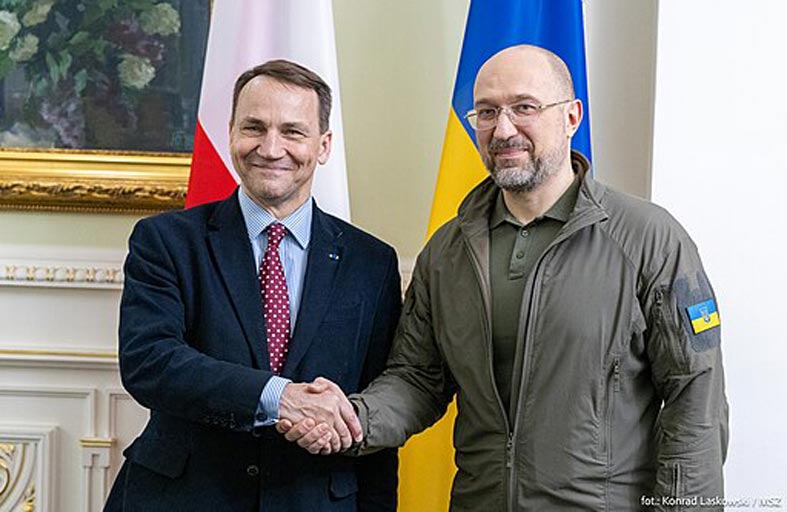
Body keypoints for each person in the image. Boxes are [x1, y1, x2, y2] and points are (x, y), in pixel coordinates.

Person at [279, 45, 729, 511]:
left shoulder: (650, 240)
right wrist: (353, 418)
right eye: (487, 112)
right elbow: (417, 380)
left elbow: (695, 397)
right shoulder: (447, 251)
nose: (504, 129)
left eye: (525, 107)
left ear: (571, 117)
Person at [104, 59, 400, 512]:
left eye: (293, 132)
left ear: (323, 145)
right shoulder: (165, 241)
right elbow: (150, 362)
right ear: (231, 134)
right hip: (184, 498)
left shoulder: (371, 262)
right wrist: (279, 397)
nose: (270, 147)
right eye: (254, 127)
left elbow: (374, 407)